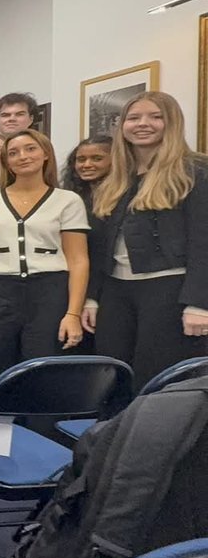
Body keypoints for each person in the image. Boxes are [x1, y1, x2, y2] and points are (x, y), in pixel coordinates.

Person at [84, 92, 208, 386]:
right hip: (116, 291)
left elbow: (204, 242)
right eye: (134, 117)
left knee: (154, 378)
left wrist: (199, 304)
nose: (143, 124)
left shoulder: (195, 172)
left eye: (155, 117)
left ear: (172, 122)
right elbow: (101, 246)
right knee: (111, 376)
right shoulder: (116, 177)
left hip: (169, 290)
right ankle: (113, 433)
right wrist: (92, 297)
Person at [0, 130, 89, 387]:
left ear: (45, 155)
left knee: (43, 373)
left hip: (49, 293)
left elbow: (78, 260)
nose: (22, 156)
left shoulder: (67, 201)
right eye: (13, 152)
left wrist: (73, 313)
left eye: (30, 149)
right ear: (6, 162)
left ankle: (38, 428)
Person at [62, 134, 112, 207]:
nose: (87, 165)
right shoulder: (69, 194)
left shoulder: (128, 195)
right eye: (81, 160)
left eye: (97, 159)